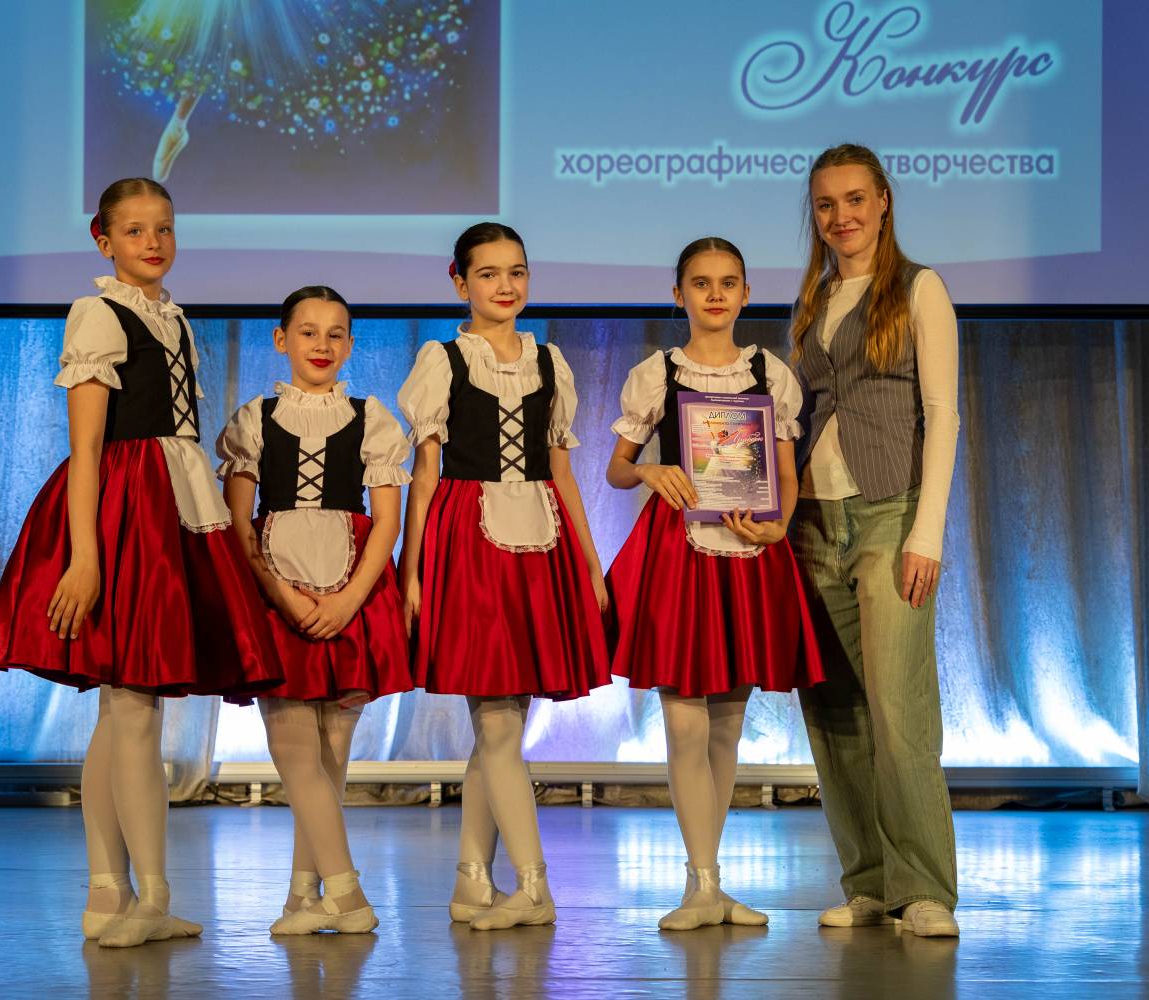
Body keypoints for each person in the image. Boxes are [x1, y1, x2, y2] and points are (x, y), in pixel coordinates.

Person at [0, 177, 281, 947]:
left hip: (175, 504)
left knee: (122, 716)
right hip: (126, 513)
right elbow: (85, 449)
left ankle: (108, 892)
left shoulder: (169, 316)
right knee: (135, 707)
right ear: (103, 238)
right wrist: (86, 559)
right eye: (136, 230)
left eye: (164, 228)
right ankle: (151, 895)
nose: (153, 242)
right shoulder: (98, 313)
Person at [605, 236, 824, 931]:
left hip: (748, 554)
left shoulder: (770, 374)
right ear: (679, 295)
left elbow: (785, 474)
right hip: (681, 554)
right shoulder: (656, 375)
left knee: (727, 725)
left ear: (746, 293)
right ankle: (699, 883)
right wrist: (649, 470)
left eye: (729, 282)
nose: (716, 294)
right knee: (683, 721)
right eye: (701, 283)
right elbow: (617, 468)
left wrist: (779, 525)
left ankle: (713, 881)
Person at [397, 222, 610, 930]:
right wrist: (412, 568)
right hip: (470, 539)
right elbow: (426, 474)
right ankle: (533, 886)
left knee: (501, 727)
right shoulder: (443, 360)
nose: (505, 285)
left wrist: (589, 562)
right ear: (460, 282)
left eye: (516, 271)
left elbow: (563, 472)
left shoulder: (549, 361)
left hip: (541, 539)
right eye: (488, 274)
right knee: (494, 720)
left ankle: (470, 880)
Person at [789, 144, 962, 938]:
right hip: (812, 521)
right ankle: (869, 883)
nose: (841, 216)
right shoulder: (813, 298)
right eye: (826, 204)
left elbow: (943, 414)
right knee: (834, 712)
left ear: (884, 200)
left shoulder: (921, 287)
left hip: (892, 511)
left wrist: (928, 531)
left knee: (898, 709)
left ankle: (923, 888)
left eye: (855, 199)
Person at [216, 285, 414, 935]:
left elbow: (388, 523)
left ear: (351, 344)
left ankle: (312, 896)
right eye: (308, 332)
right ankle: (339, 896)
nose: (321, 344)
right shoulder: (254, 419)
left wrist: (351, 598)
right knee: (297, 753)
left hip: (351, 586)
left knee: (330, 760)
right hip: (277, 590)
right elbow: (237, 522)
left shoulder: (371, 418)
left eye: (335, 333)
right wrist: (281, 594)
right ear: (282, 340)